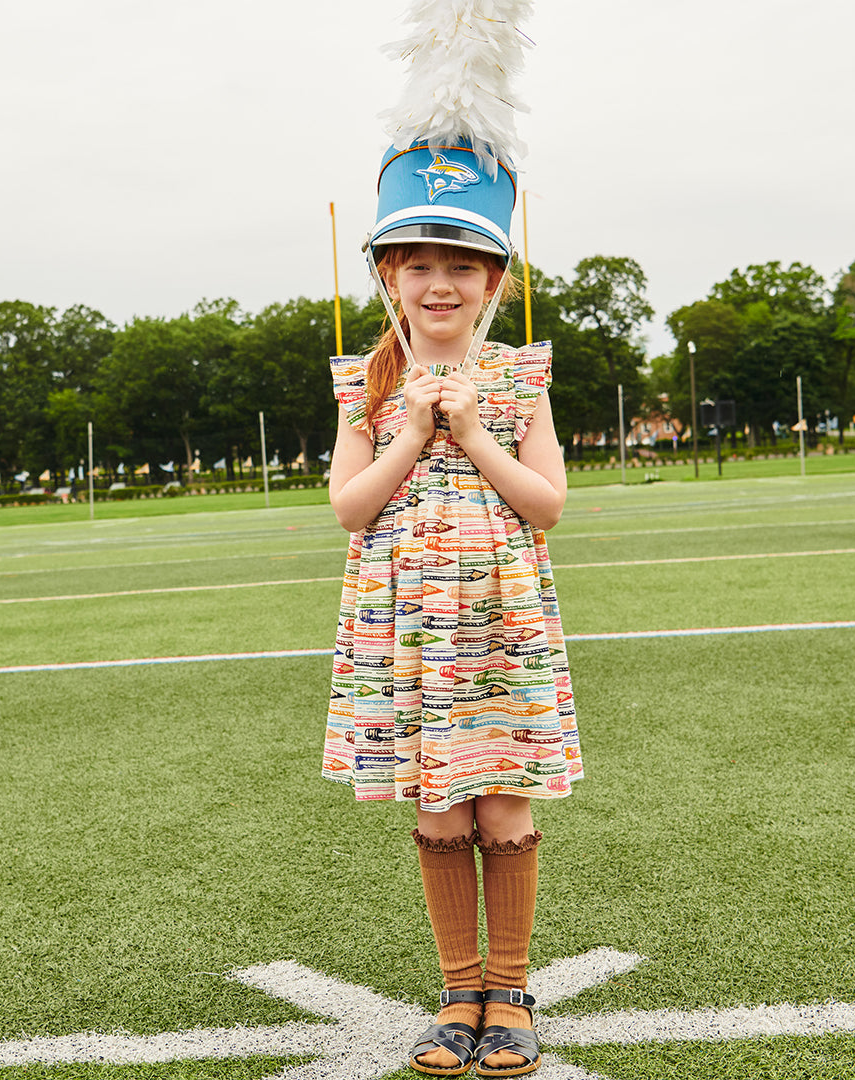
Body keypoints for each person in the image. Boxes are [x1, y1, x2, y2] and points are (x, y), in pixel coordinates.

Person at [322, 138, 583, 1077]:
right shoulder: (366, 384)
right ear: (390, 277)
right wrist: (414, 430)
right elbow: (350, 507)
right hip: (409, 637)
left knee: (503, 809)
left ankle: (507, 992)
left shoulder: (518, 381)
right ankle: (457, 987)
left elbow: (547, 505)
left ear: (494, 282)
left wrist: (472, 429)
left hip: (500, 629)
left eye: (461, 266)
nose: (440, 284)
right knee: (441, 813)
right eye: (419, 264)